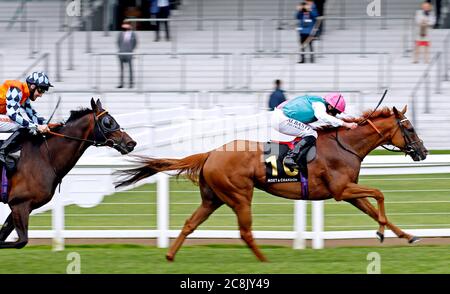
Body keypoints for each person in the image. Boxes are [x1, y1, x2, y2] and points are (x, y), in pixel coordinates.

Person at [271, 93, 357, 170]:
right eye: (335, 112)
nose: (335, 115)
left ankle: (299, 156)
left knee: (312, 131)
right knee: (311, 133)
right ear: (330, 107)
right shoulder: (319, 104)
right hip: (282, 119)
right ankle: (290, 157)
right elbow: (323, 117)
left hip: (282, 116)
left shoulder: (319, 102)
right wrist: (345, 124)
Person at [0, 71, 52, 171]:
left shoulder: (24, 94)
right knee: (21, 124)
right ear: (32, 86)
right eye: (41, 90)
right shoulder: (16, 89)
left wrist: (49, 124)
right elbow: (13, 114)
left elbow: (33, 115)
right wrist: (37, 126)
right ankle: (2, 151)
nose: (41, 95)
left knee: (25, 125)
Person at [117, 21, 138, 88]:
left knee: (130, 69)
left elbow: (135, 43)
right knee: (121, 69)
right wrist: (121, 49)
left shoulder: (133, 34)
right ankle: (121, 83)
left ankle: (131, 83)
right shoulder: (120, 33)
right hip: (121, 53)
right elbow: (118, 42)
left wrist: (131, 49)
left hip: (129, 53)